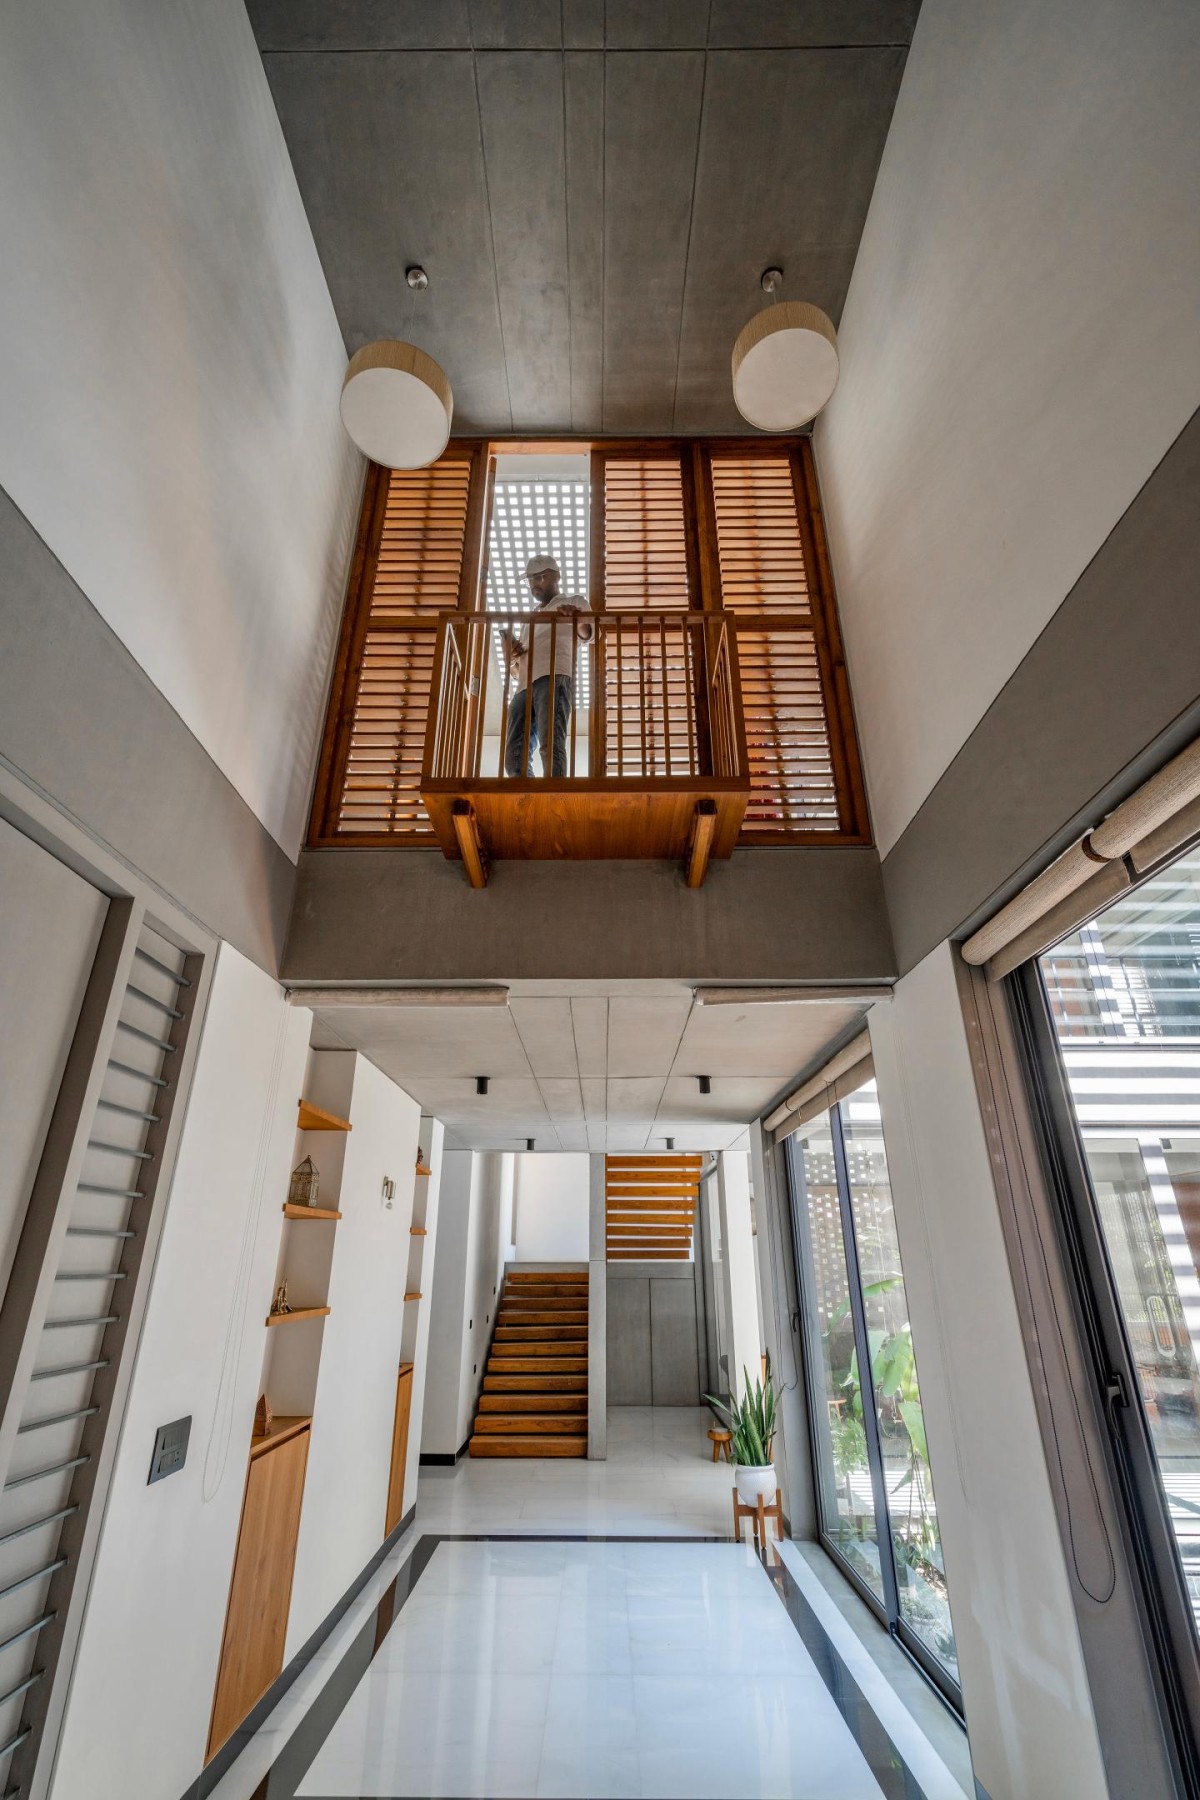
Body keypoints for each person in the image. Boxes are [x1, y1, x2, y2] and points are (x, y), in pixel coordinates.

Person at [501, 553, 592, 777]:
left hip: (554, 676)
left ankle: (555, 796)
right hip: (523, 685)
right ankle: (524, 797)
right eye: (530, 579)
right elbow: (514, 670)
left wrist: (575, 618)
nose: (534, 584)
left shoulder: (573, 601)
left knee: (550, 744)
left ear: (557, 576)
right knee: (514, 754)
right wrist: (511, 654)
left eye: (540, 577)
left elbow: (588, 634)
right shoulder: (529, 617)